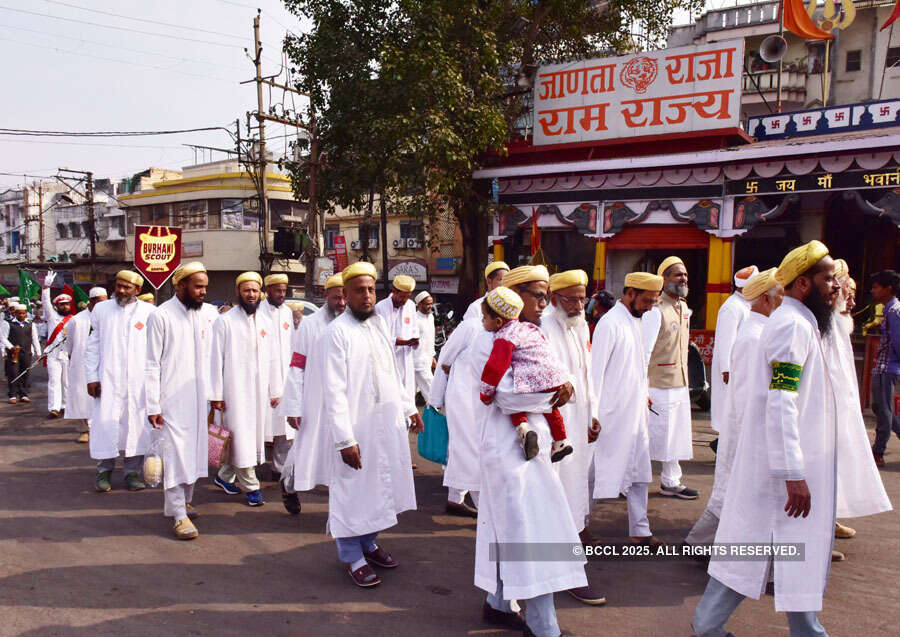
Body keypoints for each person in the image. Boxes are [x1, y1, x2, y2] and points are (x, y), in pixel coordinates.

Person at [694, 240, 839, 637]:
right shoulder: (791, 325)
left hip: (786, 465)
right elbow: (781, 400)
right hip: (779, 472)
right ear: (805, 284)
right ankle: (706, 627)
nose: (836, 286)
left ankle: (806, 630)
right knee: (751, 548)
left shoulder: (802, 321)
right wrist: (792, 471)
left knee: (780, 553)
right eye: (828, 279)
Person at [474, 263, 589, 636]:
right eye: (537, 296)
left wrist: (564, 389)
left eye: (545, 296)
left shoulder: (533, 332)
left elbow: (563, 379)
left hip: (538, 442)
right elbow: (504, 395)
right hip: (510, 449)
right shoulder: (489, 334)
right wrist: (555, 394)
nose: (544, 303)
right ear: (513, 296)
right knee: (532, 531)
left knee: (517, 529)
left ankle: (497, 602)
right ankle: (544, 625)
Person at [320, 262, 424, 588]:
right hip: (356, 428)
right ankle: (352, 555)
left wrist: (410, 407)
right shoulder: (336, 333)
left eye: (370, 290)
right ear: (346, 295)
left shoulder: (378, 325)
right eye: (358, 291)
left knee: (382, 486)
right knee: (353, 491)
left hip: (387, 423)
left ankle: (368, 541)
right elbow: (333, 392)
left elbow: (391, 372)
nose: (366, 296)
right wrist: (344, 440)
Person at [685, 268, 783, 547]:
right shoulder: (753, 334)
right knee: (732, 491)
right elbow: (748, 389)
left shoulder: (762, 329)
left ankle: (703, 543)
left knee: (735, 492)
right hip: (745, 427)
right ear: (765, 299)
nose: (783, 304)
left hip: (748, 427)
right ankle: (701, 544)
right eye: (780, 298)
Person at [145, 262, 219, 540]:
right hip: (172, 400)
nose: (202, 292)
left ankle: (185, 502)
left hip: (202, 399)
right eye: (197, 286)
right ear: (179, 286)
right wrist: (153, 404)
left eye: (205, 287)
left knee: (195, 453)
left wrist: (217, 396)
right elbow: (151, 364)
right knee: (175, 455)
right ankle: (178, 515)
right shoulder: (161, 316)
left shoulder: (210, 314)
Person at [544, 269, 604, 605]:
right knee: (559, 495)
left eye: (583, 298)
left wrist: (592, 416)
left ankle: (570, 554)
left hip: (578, 424)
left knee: (575, 489)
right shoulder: (545, 329)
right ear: (555, 300)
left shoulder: (579, 327)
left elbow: (586, 376)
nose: (580, 304)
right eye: (572, 299)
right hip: (557, 429)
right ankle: (566, 571)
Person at [591, 272, 663, 547]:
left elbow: (638, 366)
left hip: (634, 414)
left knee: (639, 471)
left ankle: (640, 530)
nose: (649, 307)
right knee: (595, 473)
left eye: (653, 302)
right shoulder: (610, 323)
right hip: (610, 415)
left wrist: (643, 394)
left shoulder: (635, 321)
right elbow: (595, 373)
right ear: (630, 293)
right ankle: (578, 528)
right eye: (646, 301)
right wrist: (593, 415)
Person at [824, 260, 891, 547]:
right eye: (846, 293)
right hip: (824, 415)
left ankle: (828, 521)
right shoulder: (819, 325)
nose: (852, 300)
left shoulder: (839, 324)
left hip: (841, 411)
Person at [209, 272, 283, 507]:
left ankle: (224, 477)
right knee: (240, 436)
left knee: (247, 437)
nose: (250, 295)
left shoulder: (265, 322)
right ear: (238, 292)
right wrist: (217, 395)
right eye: (246, 290)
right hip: (234, 392)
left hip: (259, 391)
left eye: (254, 290)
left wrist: (275, 390)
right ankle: (252, 487)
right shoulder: (224, 321)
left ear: (260, 292)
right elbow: (215, 361)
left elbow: (272, 358)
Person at [479, 286, 572, 462]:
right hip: (553, 384)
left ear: (498, 322)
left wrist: (486, 393)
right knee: (550, 407)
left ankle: (523, 429)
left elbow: (495, 368)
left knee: (510, 395)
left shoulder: (504, 336)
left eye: (484, 318)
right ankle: (561, 440)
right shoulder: (530, 328)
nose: (482, 322)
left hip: (529, 388)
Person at [84, 270, 155, 493]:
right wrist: (92, 377)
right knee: (106, 423)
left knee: (136, 425)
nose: (121, 291)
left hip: (139, 382)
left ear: (138, 290)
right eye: (119, 286)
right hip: (108, 379)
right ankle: (104, 471)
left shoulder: (150, 312)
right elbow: (92, 345)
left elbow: (156, 351)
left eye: (127, 287)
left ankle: (132, 472)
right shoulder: (102, 309)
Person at [280, 274, 346, 515]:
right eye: (336, 297)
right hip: (314, 401)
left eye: (345, 297)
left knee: (341, 449)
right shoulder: (310, 325)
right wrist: (294, 407)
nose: (341, 302)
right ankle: (288, 484)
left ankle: (341, 506)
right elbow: (297, 366)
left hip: (344, 401)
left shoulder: (352, 322)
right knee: (307, 448)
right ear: (326, 296)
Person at [641, 256, 698, 499]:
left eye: (684, 274)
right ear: (664, 279)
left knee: (674, 435)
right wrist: (642, 388)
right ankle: (626, 480)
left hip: (680, 383)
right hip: (657, 385)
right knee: (646, 435)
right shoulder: (655, 311)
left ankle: (671, 481)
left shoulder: (683, 308)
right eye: (677, 274)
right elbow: (643, 352)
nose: (683, 278)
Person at [709, 265, 758, 434]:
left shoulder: (746, 304)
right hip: (730, 372)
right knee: (729, 416)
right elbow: (725, 341)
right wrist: (727, 370)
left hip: (741, 368)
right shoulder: (732, 307)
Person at [259, 273, 296, 480]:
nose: (281, 294)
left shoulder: (287, 313)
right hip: (263, 379)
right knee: (258, 425)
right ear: (269, 291)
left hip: (285, 377)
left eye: (284, 290)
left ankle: (279, 469)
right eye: (277, 291)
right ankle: (236, 470)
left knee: (284, 428)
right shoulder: (258, 312)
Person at [65, 286, 108, 444]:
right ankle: (84, 430)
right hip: (81, 365)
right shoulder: (76, 320)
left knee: (103, 397)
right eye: (100, 301)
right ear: (92, 301)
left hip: (104, 364)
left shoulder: (109, 318)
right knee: (81, 397)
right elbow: (69, 346)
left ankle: (100, 430)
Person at [869, 269, 900, 467]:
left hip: (886, 367)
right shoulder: (890, 309)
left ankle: (878, 451)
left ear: (888, 289)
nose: (872, 291)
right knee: (882, 408)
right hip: (884, 367)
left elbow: (898, 342)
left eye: (876, 287)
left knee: (883, 410)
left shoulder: (893, 311)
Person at [374, 275, 419, 402]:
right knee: (391, 397)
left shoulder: (410, 306)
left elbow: (414, 328)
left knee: (408, 396)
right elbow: (378, 337)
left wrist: (414, 340)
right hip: (388, 360)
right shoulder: (380, 308)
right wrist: (397, 342)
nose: (405, 300)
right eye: (402, 296)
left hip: (407, 358)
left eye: (408, 296)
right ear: (394, 292)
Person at [41, 271, 73, 419]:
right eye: (62, 305)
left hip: (67, 354)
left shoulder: (74, 319)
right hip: (53, 354)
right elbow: (46, 303)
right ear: (57, 306)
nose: (65, 306)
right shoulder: (52, 317)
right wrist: (46, 288)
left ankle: (66, 406)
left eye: (67, 304)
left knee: (66, 382)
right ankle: (54, 408)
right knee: (54, 381)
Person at [2, 303, 40, 404]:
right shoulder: (9, 323)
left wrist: (38, 352)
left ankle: (23, 394)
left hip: (26, 352)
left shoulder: (31, 324)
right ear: (15, 313)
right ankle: (12, 394)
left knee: (25, 372)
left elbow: (35, 339)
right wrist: (11, 347)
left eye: (23, 313)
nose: (21, 315)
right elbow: (3, 337)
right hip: (14, 353)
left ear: (26, 314)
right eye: (19, 313)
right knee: (13, 373)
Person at [413, 290, 436, 402]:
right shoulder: (414, 319)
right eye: (427, 304)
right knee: (432, 392)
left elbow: (430, 339)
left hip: (426, 360)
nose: (430, 306)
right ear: (419, 304)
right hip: (417, 361)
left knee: (411, 395)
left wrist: (433, 356)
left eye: (431, 303)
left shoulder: (431, 317)